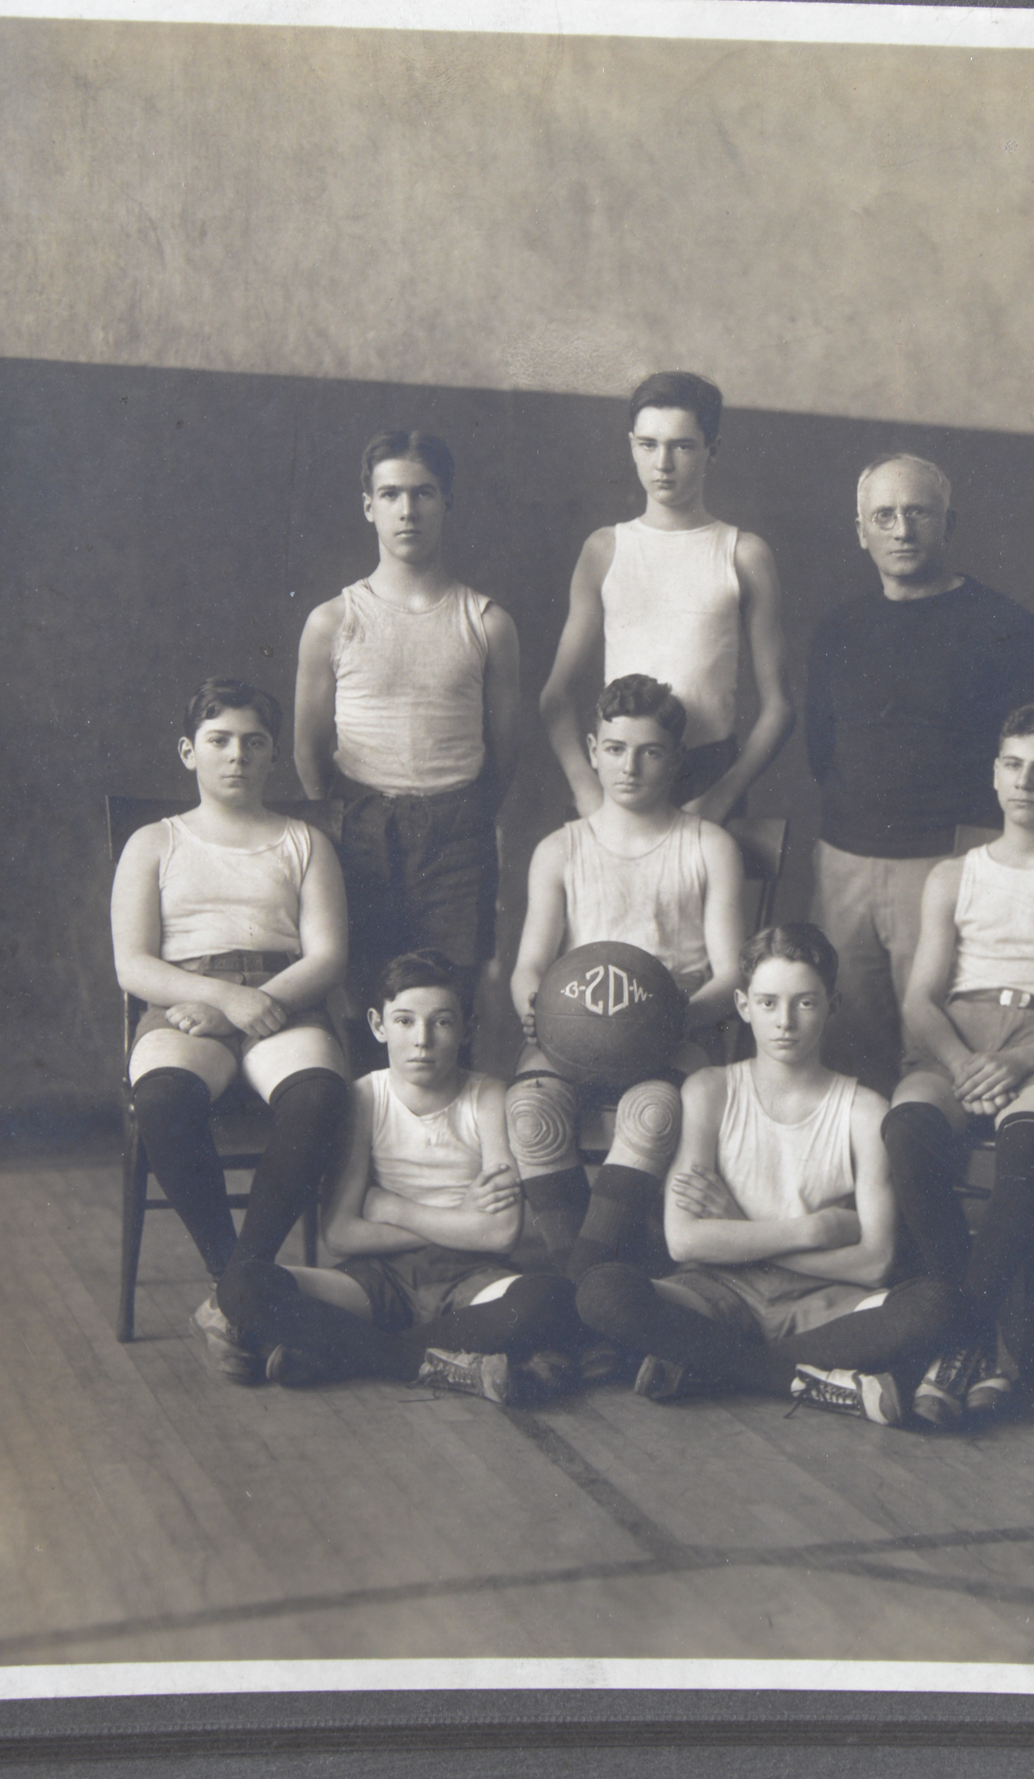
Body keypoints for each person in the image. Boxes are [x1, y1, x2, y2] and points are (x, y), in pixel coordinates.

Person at [573, 924, 971, 1424]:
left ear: (833, 1004)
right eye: (767, 1003)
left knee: (933, 1304)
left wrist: (738, 1228)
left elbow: (873, 1263)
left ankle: (711, 1367)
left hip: (823, 1303)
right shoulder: (709, 1090)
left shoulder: (865, 1111)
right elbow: (685, 1242)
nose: (785, 1022)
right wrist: (814, 1230)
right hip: (719, 1294)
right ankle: (801, 1379)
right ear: (742, 1005)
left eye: (805, 1003)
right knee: (601, 1291)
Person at [882, 703, 1034, 1426]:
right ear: (993, 774)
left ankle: (955, 1338)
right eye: (1012, 764)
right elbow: (920, 1001)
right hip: (958, 1036)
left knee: (1026, 1140)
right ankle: (984, 1339)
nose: (1024, 781)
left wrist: (1021, 1059)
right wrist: (962, 1061)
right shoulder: (951, 875)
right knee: (905, 1130)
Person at [110, 676, 351, 1372]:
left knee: (318, 1094)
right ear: (189, 751)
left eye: (254, 742)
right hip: (184, 1000)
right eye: (218, 741)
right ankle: (233, 1280)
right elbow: (132, 963)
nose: (236, 756)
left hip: (285, 994)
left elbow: (329, 953)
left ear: (273, 755)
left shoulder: (304, 841)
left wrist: (254, 1002)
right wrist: (217, 999)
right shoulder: (154, 842)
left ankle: (240, 1286)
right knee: (161, 1097)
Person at [806, 453, 1034, 1095]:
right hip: (845, 864)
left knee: (938, 1062)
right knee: (843, 1056)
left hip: (951, 865)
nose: (901, 530)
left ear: (949, 522)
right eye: (884, 516)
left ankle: (920, 1192)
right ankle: (857, 1196)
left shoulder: (1009, 630)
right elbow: (820, 748)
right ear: (859, 530)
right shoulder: (839, 628)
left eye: (917, 513)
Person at [241, 952, 579, 1402]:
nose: (422, 1040)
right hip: (379, 1277)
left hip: (470, 1276)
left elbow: (499, 1235)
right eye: (404, 1021)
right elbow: (341, 1234)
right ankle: (440, 1360)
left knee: (548, 1299)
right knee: (243, 1287)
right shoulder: (365, 1096)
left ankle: (351, 1353)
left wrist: (393, 1208)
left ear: (467, 1028)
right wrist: (458, 1219)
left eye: (441, 1022)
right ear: (378, 1025)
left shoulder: (489, 1096)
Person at [507, 673, 748, 1282]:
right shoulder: (559, 849)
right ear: (592, 751)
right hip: (573, 1030)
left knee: (653, 1113)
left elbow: (732, 974)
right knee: (530, 1115)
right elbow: (530, 966)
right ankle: (588, 1278)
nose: (630, 766)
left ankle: (578, 1285)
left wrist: (666, 1019)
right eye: (614, 749)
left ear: (676, 759)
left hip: (674, 1034)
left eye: (650, 751)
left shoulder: (708, 845)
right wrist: (532, 1005)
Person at [293, 428, 521, 1055]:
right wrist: (351, 822)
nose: (407, 509)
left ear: (447, 502)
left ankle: (449, 1154)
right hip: (360, 830)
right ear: (367, 504)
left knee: (447, 1011)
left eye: (423, 493)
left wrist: (458, 815)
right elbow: (309, 753)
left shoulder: (487, 622)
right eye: (390, 493)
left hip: (457, 837)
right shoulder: (332, 621)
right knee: (369, 1002)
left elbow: (504, 751)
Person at [539, 372, 792, 823]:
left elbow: (778, 708)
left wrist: (720, 797)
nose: (663, 463)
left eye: (682, 445)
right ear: (631, 444)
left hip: (708, 778)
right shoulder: (604, 549)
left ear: (711, 449)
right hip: (620, 773)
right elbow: (555, 695)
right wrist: (585, 788)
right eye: (649, 444)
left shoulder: (744, 554)